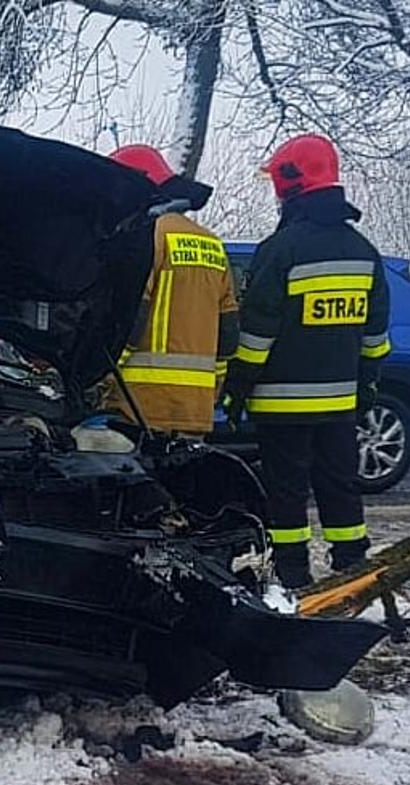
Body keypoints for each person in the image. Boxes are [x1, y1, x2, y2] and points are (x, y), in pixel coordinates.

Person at [225, 134, 389, 589]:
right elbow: (375, 335)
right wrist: (367, 384)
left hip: (282, 403)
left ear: (289, 183)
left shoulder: (279, 250)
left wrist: (238, 385)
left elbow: (257, 333)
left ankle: (293, 573)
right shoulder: (362, 251)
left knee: (287, 490)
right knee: (340, 483)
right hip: (339, 402)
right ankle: (352, 565)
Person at [94, 144, 239, 438]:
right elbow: (228, 335)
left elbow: (128, 321)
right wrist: (212, 390)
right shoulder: (211, 242)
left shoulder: (145, 238)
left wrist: (99, 378)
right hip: (195, 410)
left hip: (137, 405)